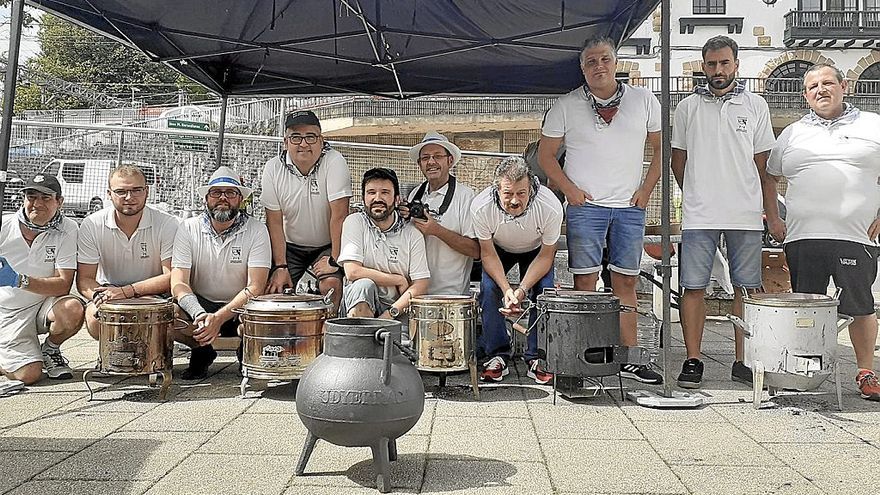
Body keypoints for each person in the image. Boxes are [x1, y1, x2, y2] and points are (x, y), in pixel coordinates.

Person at [539, 36, 663, 384]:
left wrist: (645, 190)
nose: (598, 66)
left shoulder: (643, 99)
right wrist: (569, 191)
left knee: (626, 280)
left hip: (628, 206)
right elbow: (546, 156)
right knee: (585, 283)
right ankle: (587, 353)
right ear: (582, 68)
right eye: (591, 61)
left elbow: (660, 149)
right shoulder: (566, 105)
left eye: (604, 59)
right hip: (586, 208)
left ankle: (629, 356)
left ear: (615, 62)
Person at [671, 35, 781, 389]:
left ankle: (742, 360)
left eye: (724, 63)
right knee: (693, 287)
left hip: (745, 214)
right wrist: (697, 193)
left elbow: (765, 166)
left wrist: (772, 213)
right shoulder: (687, 107)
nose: (718, 70)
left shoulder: (756, 105)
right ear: (704, 67)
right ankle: (693, 359)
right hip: (700, 216)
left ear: (736, 65)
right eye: (712, 64)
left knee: (746, 289)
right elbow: (678, 160)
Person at [767, 63, 880, 401]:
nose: (821, 90)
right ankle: (808, 369)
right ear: (805, 95)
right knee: (806, 309)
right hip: (804, 237)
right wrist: (774, 218)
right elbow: (769, 176)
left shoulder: (873, 125)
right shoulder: (793, 132)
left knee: (860, 306)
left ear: (844, 86)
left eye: (828, 83)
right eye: (813, 86)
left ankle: (865, 372)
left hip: (856, 236)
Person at [170, 167, 271, 380]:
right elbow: (178, 283)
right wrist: (200, 314)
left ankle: (246, 353)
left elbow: (256, 286)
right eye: (216, 193)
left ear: (241, 199)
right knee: (169, 314)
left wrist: (219, 317)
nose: (223, 198)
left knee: (259, 318)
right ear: (206, 198)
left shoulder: (257, 230)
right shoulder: (188, 228)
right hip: (200, 306)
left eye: (231, 193)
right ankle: (202, 351)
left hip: (241, 308)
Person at [471, 156, 563, 384]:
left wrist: (520, 291)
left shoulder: (550, 206)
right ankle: (497, 354)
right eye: (508, 193)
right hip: (499, 248)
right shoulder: (481, 207)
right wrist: (506, 289)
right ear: (497, 189)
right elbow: (488, 253)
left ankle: (536, 356)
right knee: (489, 288)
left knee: (544, 291)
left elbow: (546, 255)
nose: (514, 200)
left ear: (531, 187)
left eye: (521, 193)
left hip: (536, 250)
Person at [261, 110, 351, 310]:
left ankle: (327, 338)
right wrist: (281, 266)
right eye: (296, 137)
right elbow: (274, 222)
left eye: (310, 137)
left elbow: (340, 215)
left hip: (327, 244)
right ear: (285, 142)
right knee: (274, 291)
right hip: (290, 246)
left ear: (321, 140)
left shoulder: (335, 161)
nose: (303, 144)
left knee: (331, 286)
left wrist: (335, 260)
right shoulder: (272, 168)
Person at [77, 165, 179, 338]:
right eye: (121, 191)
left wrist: (128, 292)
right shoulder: (92, 224)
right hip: (109, 291)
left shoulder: (168, 223)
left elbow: (172, 276)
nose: (129, 197)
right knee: (94, 317)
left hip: (154, 294)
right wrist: (100, 296)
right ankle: (110, 358)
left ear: (147, 191)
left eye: (136, 190)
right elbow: (84, 279)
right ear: (109, 194)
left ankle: (160, 357)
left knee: (174, 315)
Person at [0, 174, 84, 384]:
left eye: (46, 198)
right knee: (29, 375)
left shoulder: (68, 228)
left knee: (73, 308)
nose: (37, 203)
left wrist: (19, 280)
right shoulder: (4, 225)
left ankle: (50, 350)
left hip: (41, 308)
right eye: (31, 196)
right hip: (6, 311)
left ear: (59, 202)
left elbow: (63, 284)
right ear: (23, 199)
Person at [337, 167, 430, 319]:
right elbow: (353, 271)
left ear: (396, 198)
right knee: (363, 286)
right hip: (358, 305)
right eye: (371, 192)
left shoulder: (412, 233)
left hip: (397, 308)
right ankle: (361, 340)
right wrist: (397, 279)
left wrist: (390, 314)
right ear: (363, 198)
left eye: (385, 192)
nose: (377, 198)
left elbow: (421, 284)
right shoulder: (355, 222)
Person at [403, 131, 479, 296]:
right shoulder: (415, 194)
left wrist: (436, 230)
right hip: (415, 293)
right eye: (425, 158)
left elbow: (475, 250)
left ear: (450, 160)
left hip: (451, 295)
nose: (431, 162)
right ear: (419, 164)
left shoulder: (466, 196)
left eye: (438, 156)